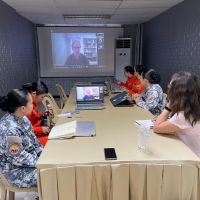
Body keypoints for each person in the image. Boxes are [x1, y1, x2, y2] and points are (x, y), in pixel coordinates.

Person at [0, 89, 43, 188]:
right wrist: (41, 163)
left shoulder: (22, 118)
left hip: (30, 163)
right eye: (31, 103)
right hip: (16, 171)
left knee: (56, 168)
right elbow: (19, 158)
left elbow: (34, 140)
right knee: (52, 174)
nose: (33, 105)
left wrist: (42, 154)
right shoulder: (8, 129)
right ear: (23, 108)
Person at [154, 71, 200, 157]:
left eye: (171, 85)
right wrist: (168, 121)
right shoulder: (193, 109)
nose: (168, 87)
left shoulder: (183, 116)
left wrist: (169, 105)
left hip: (193, 161)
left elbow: (156, 128)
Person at [23, 81, 51, 146]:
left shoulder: (33, 103)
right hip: (31, 137)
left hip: (35, 133)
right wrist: (41, 129)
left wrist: (45, 112)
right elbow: (26, 129)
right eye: (42, 97)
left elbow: (34, 116)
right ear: (34, 94)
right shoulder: (27, 107)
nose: (43, 99)